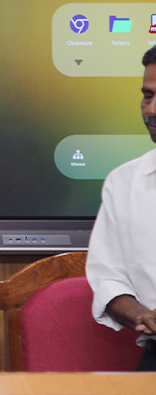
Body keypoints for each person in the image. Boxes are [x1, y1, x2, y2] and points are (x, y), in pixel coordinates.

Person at [86, 44, 156, 371]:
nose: (151, 109)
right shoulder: (124, 182)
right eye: (147, 95)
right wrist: (141, 315)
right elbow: (108, 279)